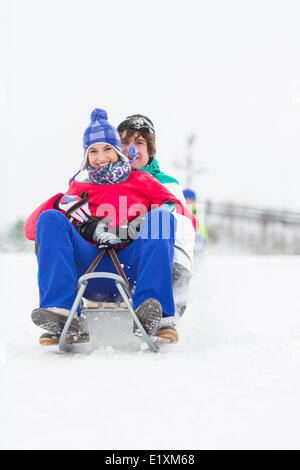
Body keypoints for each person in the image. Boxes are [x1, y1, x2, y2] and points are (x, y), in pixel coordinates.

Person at [24, 108, 198, 346]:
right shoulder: (79, 187)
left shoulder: (142, 181)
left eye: (107, 149)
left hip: (131, 270)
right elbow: (31, 229)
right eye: (93, 151)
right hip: (90, 265)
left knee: (162, 219)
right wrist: (59, 201)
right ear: (86, 157)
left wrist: (140, 224)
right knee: (50, 218)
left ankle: (153, 311)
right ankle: (63, 311)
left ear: (118, 151)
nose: (101, 157)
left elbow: (174, 207)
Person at [117, 114, 196, 317]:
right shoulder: (105, 180)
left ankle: (166, 303)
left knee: (171, 221)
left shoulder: (166, 183)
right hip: (113, 256)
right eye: (124, 142)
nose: (131, 148)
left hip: (153, 256)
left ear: (150, 150)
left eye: (139, 142)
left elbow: (181, 216)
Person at [183, 188, 208, 255]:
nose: (188, 203)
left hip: (194, 245)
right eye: (186, 200)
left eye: (190, 201)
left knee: (199, 239)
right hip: (181, 243)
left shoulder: (197, 217)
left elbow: (203, 235)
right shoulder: (177, 213)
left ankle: (197, 264)